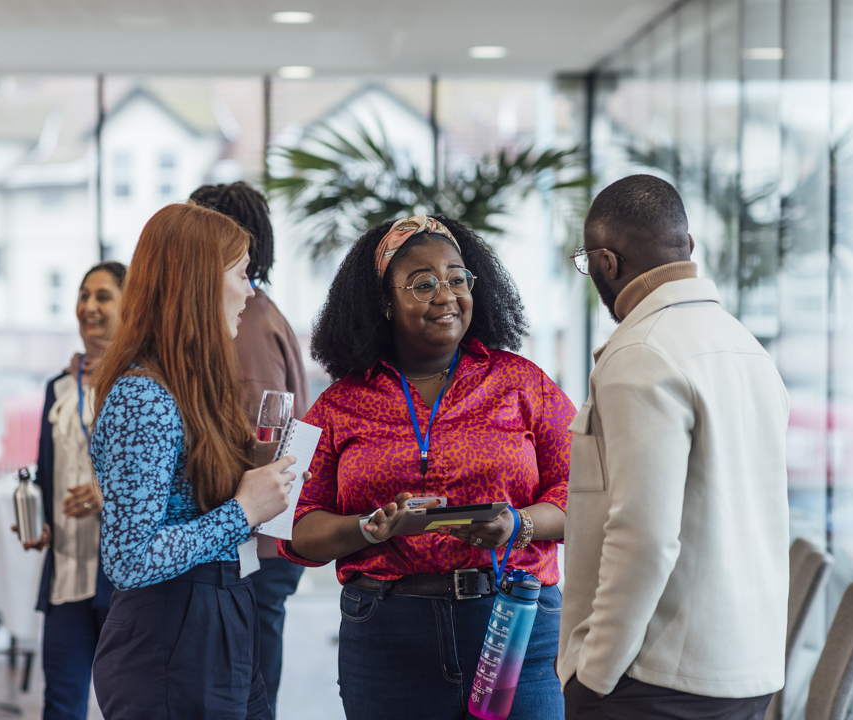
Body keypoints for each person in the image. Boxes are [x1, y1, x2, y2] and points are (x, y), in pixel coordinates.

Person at [280, 215, 575, 720]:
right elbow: (292, 525)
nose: (446, 295)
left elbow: (585, 493)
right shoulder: (337, 406)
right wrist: (369, 530)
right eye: (423, 284)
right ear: (383, 303)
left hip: (513, 621)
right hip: (387, 634)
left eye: (458, 279)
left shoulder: (523, 384)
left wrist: (518, 524)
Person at [558, 175, 788, 718]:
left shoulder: (641, 351)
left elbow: (643, 533)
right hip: (744, 671)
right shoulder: (745, 347)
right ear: (688, 249)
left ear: (605, 263)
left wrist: (593, 673)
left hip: (657, 678)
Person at [89, 202, 297, 720]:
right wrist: (242, 511)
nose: (251, 292)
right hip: (169, 635)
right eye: (242, 274)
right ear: (200, 282)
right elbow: (128, 559)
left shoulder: (191, 389)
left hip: (216, 615)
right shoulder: (144, 397)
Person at [188, 181, 308, 711]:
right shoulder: (254, 314)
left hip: (251, 545)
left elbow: (260, 443)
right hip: (252, 539)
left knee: (244, 698)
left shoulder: (245, 325)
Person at [23, 261, 125, 720]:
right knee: (60, 704)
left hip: (119, 577)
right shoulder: (58, 387)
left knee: (126, 704)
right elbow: (50, 471)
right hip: (65, 571)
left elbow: (167, 479)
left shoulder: (140, 385)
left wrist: (110, 495)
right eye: (84, 296)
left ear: (130, 306)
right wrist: (38, 517)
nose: (89, 306)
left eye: (103, 296)